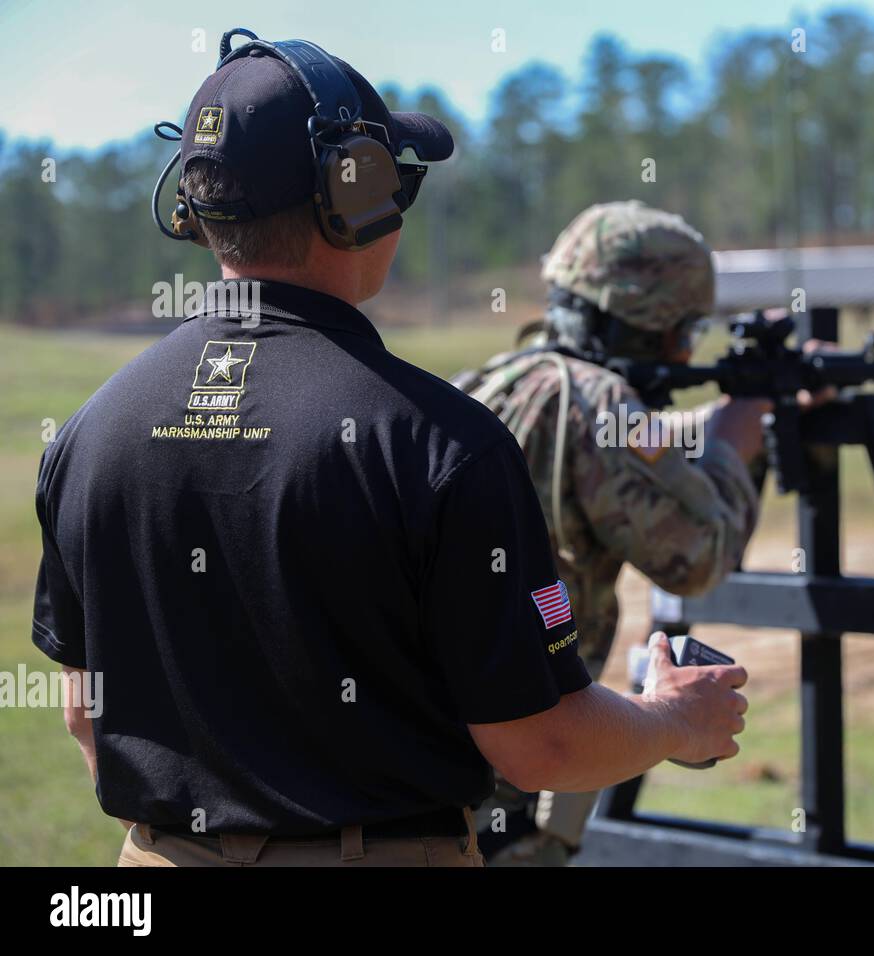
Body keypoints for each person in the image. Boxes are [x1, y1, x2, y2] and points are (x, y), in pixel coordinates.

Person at [31, 33, 747, 868]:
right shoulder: (443, 444)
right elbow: (542, 747)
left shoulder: (89, 432)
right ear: (356, 191)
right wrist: (674, 719)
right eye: (396, 176)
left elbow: (88, 714)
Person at [456, 201, 792, 865]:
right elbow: (697, 553)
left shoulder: (499, 381)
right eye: (684, 333)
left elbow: (627, 461)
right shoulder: (600, 401)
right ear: (652, 326)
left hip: (449, 765)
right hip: (505, 781)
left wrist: (720, 417)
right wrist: (734, 440)